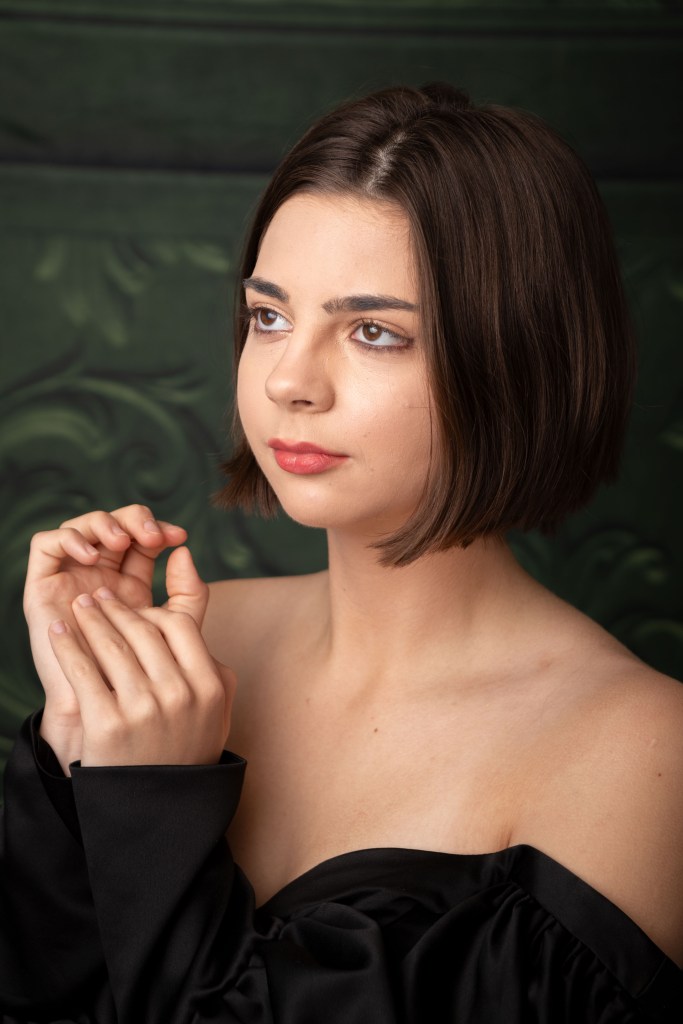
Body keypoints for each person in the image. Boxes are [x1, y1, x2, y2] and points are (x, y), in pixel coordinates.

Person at [1, 83, 682, 1023]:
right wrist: (79, 729)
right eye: (270, 316)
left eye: (374, 333)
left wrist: (149, 798)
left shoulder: (642, 756)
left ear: (517, 358)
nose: (288, 379)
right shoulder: (198, 642)